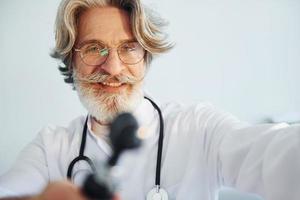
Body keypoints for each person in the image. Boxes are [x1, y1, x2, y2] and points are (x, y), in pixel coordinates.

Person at [0, 0, 299, 199]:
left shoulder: (198, 129)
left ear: (146, 58)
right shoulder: (50, 147)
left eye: (129, 48)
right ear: (71, 61)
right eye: (94, 48)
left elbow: (273, 153)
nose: (113, 68)